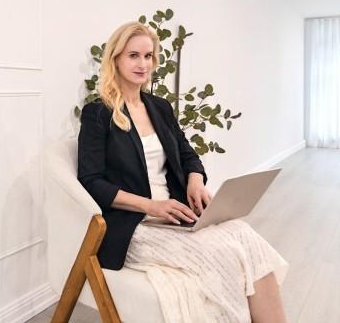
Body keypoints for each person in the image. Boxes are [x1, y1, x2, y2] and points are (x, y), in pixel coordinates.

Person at [77, 21, 289, 323]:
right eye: (133, 55)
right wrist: (151, 206)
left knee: (247, 239)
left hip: (174, 215)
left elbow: (188, 154)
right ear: (116, 59)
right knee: (223, 256)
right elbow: (91, 182)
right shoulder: (98, 113)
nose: (143, 64)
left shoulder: (159, 107)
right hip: (134, 225)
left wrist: (195, 181)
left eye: (148, 56)